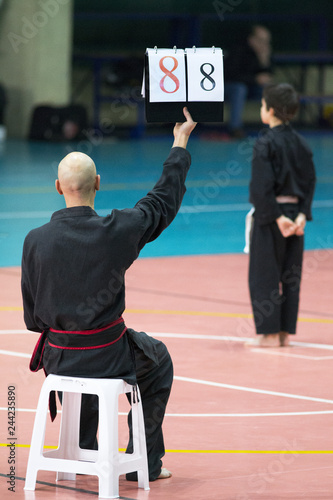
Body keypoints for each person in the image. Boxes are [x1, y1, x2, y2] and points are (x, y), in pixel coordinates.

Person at [21, 107, 197, 481]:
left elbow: (33, 319)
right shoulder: (117, 230)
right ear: (97, 183)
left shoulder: (34, 241)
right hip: (107, 356)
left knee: (85, 349)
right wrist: (179, 143)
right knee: (157, 359)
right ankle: (144, 464)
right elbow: (162, 203)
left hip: (59, 359)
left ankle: (84, 446)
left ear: (57, 188)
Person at [247, 83, 316, 347]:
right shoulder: (302, 143)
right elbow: (310, 181)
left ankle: (268, 334)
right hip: (294, 218)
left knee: (264, 274)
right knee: (290, 274)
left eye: (263, 105)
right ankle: (285, 332)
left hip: (272, 217)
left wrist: (276, 217)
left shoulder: (265, 143)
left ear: (271, 110)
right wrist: (301, 215)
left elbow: (261, 186)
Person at [224, 25, 273, 137]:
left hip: (252, 88)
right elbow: (231, 75)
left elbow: (268, 75)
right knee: (239, 89)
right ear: (251, 39)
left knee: (269, 88)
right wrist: (254, 79)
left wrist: (264, 61)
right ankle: (235, 128)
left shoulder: (265, 52)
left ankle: (273, 126)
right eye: (261, 40)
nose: (264, 44)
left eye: (266, 41)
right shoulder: (238, 50)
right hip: (230, 88)